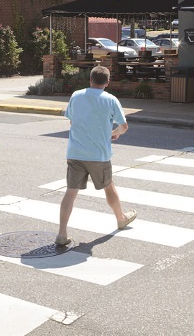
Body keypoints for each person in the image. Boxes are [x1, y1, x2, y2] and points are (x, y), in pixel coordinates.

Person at [56, 66, 136, 246]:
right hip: (99, 154)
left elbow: (71, 120)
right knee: (108, 187)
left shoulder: (76, 95)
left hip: (75, 152)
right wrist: (115, 133)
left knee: (70, 193)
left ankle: (62, 233)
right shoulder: (111, 99)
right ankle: (121, 218)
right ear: (107, 82)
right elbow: (124, 127)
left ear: (90, 79)